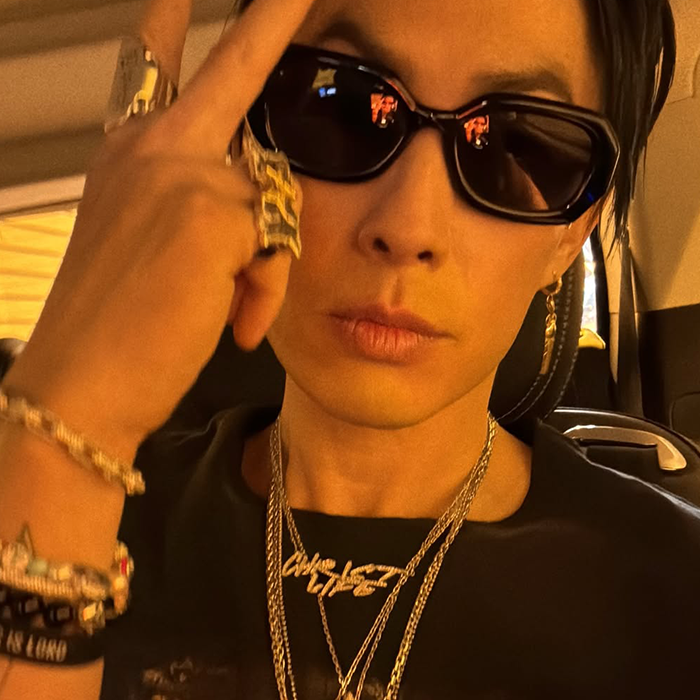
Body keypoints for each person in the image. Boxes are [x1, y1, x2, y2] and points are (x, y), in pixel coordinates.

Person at [0, 0, 697, 697]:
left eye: (516, 145)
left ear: (573, 232)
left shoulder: (676, 592)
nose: (407, 228)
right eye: (343, 108)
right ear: (247, 150)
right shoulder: (66, 507)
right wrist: (64, 437)